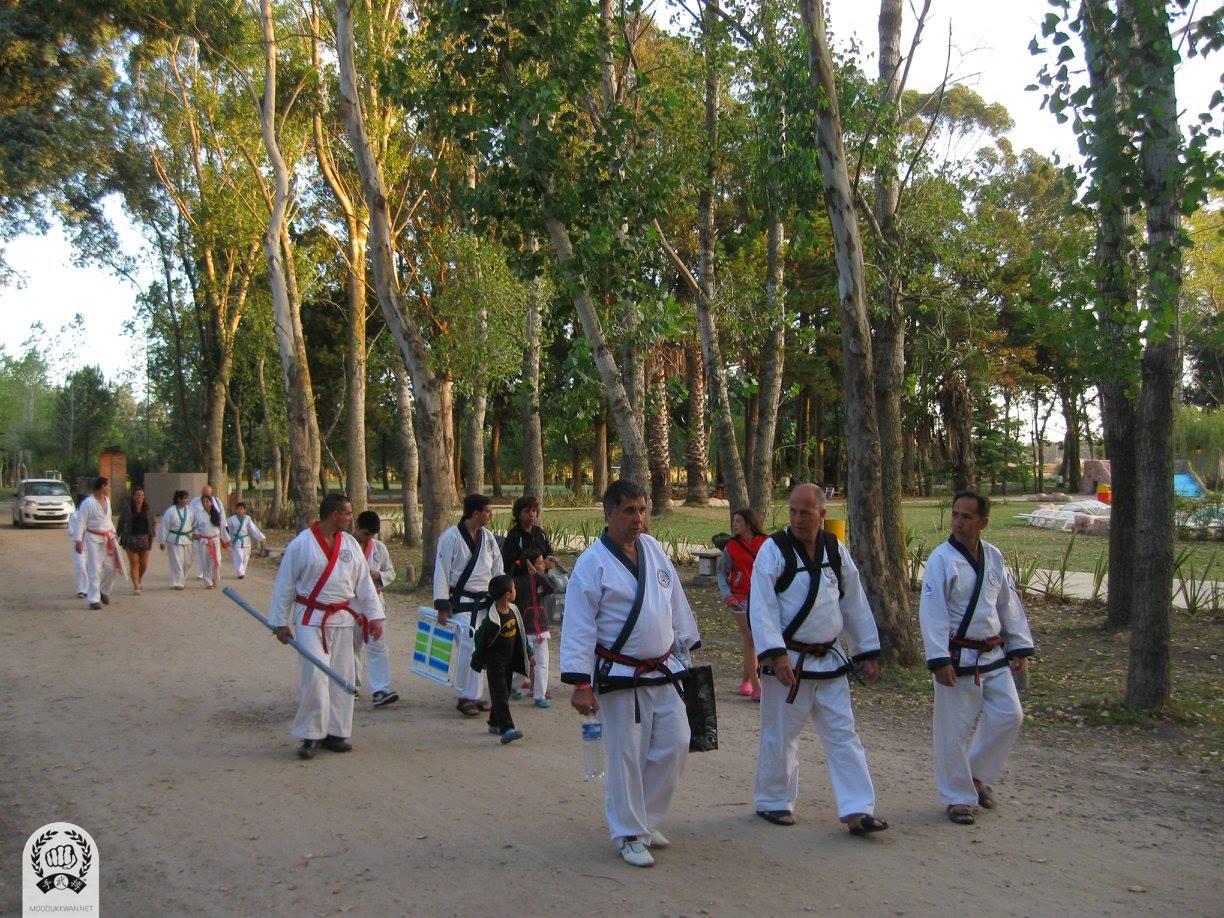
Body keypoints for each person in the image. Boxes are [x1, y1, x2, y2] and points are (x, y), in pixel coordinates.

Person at [560, 479, 701, 868]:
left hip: (664, 669)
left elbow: (674, 601)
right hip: (620, 675)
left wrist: (685, 645)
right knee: (627, 756)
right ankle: (628, 832)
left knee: (677, 742)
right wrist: (581, 682)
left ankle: (646, 820)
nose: (638, 518)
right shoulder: (592, 563)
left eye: (642, 510)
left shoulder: (653, 549)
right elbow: (579, 625)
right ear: (609, 513)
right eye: (629, 511)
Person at [750, 483, 888, 836]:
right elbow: (762, 606)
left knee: (844, 734)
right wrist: (776, 654)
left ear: (822, 514)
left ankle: (857, 809)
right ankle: (773, 800)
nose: (798, 519)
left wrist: (866, 651)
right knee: (780, 735)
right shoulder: (773, 550)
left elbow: (853, 602)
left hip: (829, 660)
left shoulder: (834, 550)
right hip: (789, 663)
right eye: (793, 511)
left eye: (806, 512)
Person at [919, 490, 1035, 826]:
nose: (958, 522)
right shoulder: (941, 559)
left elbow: (1007, 604)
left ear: (983, 522)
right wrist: (939, 658)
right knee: (953, 731)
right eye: (955, 514)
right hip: (957, 657)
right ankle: (958, 797)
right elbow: (932, 613)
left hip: (992, 654)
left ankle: (976, 776)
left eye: (967, 517)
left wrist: (1019, 647)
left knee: (1009, 715)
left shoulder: (993, 556)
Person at [269, 492, 384, 759]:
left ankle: (336, 732)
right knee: (315, 676)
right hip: (311, 619)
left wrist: (374, 616)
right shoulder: (302, 544)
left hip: (342, 619)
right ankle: (311, 734)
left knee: (342, 677)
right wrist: (280, 623)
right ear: (335, 515)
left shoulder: (350, 545)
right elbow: (285, 585)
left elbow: (365, 584)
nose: (351, 519)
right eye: (348, 514)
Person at [434, 494, 504, 717]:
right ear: (475, 513)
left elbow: (498, 568)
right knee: (468, 648)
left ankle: (475, 694)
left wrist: (501, 594)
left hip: (484, 602)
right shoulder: (450, 538)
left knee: (482, 648)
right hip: (462, 602)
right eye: (487, 511)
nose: (491, 515)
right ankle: (465, 697)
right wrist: (442, 605)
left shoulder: (489, 538)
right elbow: (441, 572)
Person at [470, 574, 531, 744]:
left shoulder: (513, 611)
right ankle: (507, 728)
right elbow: (479, 638)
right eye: (514, 589)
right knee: (500, 694)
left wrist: (529, 652)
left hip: (509, 661)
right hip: (495, 663)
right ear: (507, 594)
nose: (516, 591)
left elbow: (521, 635)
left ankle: (495, 722)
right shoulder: (492, 619)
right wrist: (479, 660)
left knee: (503, 692)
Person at [718, 508, 767, 701]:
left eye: (738, 520)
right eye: (734, 521)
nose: (734, 524)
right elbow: (722, 572)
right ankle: (757, 685)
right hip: (739, 599)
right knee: (751, 639)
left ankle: (746, 680)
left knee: (755, 641)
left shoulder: (766, 543)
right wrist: (727, 595)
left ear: (748, 522)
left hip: (761, 598)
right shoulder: (731, 546)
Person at [352, 510, 399, 708]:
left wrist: (378, 575)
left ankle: (380, 689)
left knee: (378, 645)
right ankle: (351, 686)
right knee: (351, 647)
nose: (369, 538)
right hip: (352, 604)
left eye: (372, 535)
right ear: (356, 527)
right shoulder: (345, 546)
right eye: (366, 534)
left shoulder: (379, 548)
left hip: (375, 603)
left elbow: (391, 573)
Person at [512, 546, 556, 708]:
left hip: (541, 629)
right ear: (529, 564)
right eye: (539, 562)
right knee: (523, 663)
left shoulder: (543, 580)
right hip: (524, 629)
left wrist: (538, 575)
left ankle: (539, 695)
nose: (543, 564)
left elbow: (552, 587)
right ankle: (513, 686)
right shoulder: (517, 582)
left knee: (542, 663)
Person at [76, 477, 123, 611]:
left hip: (107, 537)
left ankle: (103, 590)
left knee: (112, 568)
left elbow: (108, 520)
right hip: (93, 539)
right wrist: (78, 541)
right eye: (108, 486)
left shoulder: (107, 501)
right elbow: (80, 522)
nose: (110, 488)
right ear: (102, 486)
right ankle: (94, 600)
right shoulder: (88, 503)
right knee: (95, 569)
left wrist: (114, 532)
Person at [501, 493, 557, 576]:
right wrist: (532, 565)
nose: (531, 514)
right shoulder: (514, 536)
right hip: (522, 579)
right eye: (527, 511)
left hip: (542, 577)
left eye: (534, 511)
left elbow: (548, 551)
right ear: (519, 515)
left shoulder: (540, 532)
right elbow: (510, 564)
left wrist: (550, 559)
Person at [189, 484, 230, 589]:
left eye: (207, 501)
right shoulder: (198, 513)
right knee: (206, 562)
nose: (205, 503)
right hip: (204, 541)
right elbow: (194, 525)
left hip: (215, 540)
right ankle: (208, 582)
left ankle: (215, 578)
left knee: (217, 561)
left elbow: (222, 526)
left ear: (211, 502)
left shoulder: (216, 512)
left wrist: (225, 539)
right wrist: (195, 534)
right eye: (203, 502)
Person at [118, 486, 157, 595]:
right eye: (137, 495)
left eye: (142, 495)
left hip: (144, 538)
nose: (140, 497)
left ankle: (138, 578)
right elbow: (121, 523)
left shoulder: (147, 509)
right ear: (133, 496)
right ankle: (136, 586)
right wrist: (116, 535)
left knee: (144, 564)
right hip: (130, 538)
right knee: (134, 563)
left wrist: (153, 533)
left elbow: (153, 522)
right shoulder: (127, 509)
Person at [158, 490, 195, 590]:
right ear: (179, 499)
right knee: (177, 562)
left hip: (187, 538)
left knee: (187, 563)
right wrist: (162, 541)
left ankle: (182, 579)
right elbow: (164, 527)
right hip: (174, 539)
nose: (187, 500)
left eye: (187, 498)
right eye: (185, 498)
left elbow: (194, 523)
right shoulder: (171, 511)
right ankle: (177, 583)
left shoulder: (190, 511)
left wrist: (195, 534)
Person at [227, 502, 266, 579]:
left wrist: (261, 537)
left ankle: (242, 571)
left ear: (245, 510)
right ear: (235, 510)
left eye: (241, 509)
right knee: (238, 556)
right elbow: (230, 530)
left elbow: (253, 528)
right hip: (236, 540)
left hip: (246, 540)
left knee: (245, 557)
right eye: (237, 509)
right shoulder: (231, 519)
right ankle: (240, 573)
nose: (239, 510)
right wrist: (230, 539)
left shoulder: (247, 518)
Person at [68, 494, 88, 598]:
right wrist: (80, 534)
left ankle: (89, 588)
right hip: (79, 544)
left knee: (91, 568)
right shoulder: (74, 516)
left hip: (90, 544)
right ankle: (81, 589)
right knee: (80, 567)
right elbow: (70, 531)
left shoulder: (90, 515)